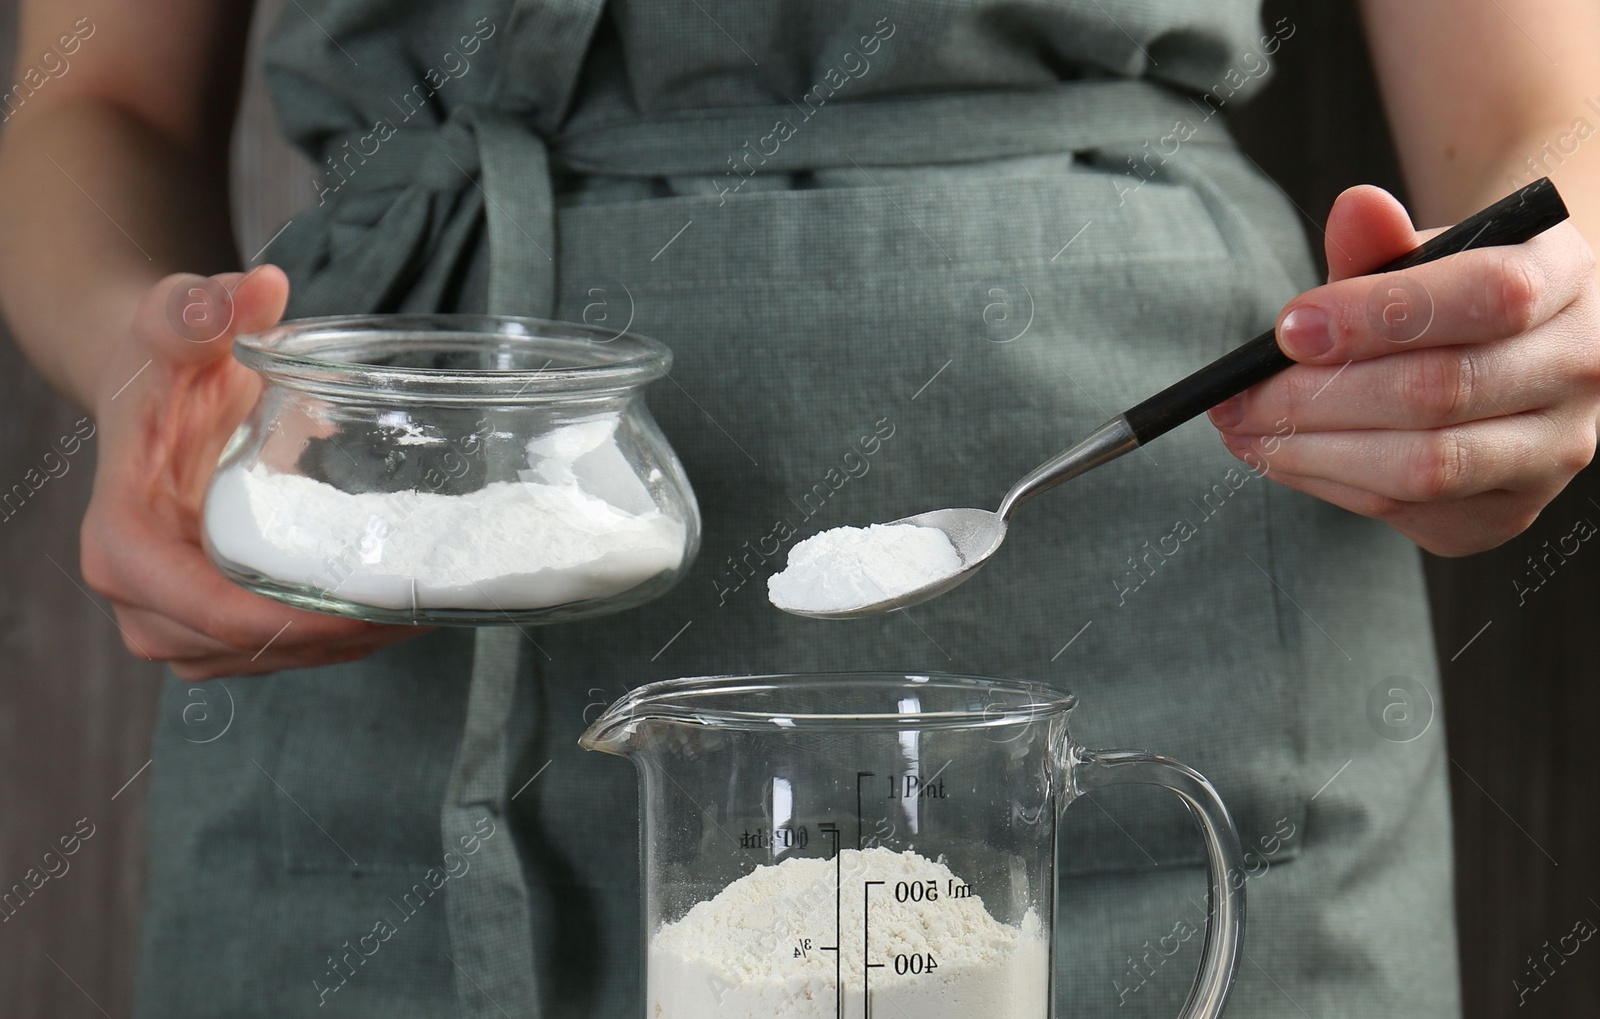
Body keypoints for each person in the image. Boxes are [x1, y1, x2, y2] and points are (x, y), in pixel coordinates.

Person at [3, 1, 1598, 1016]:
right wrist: (152, 382)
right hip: (373, 555)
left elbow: (1548, 119)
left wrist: (1510, 341)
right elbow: (94, 100)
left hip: (1168, 576)